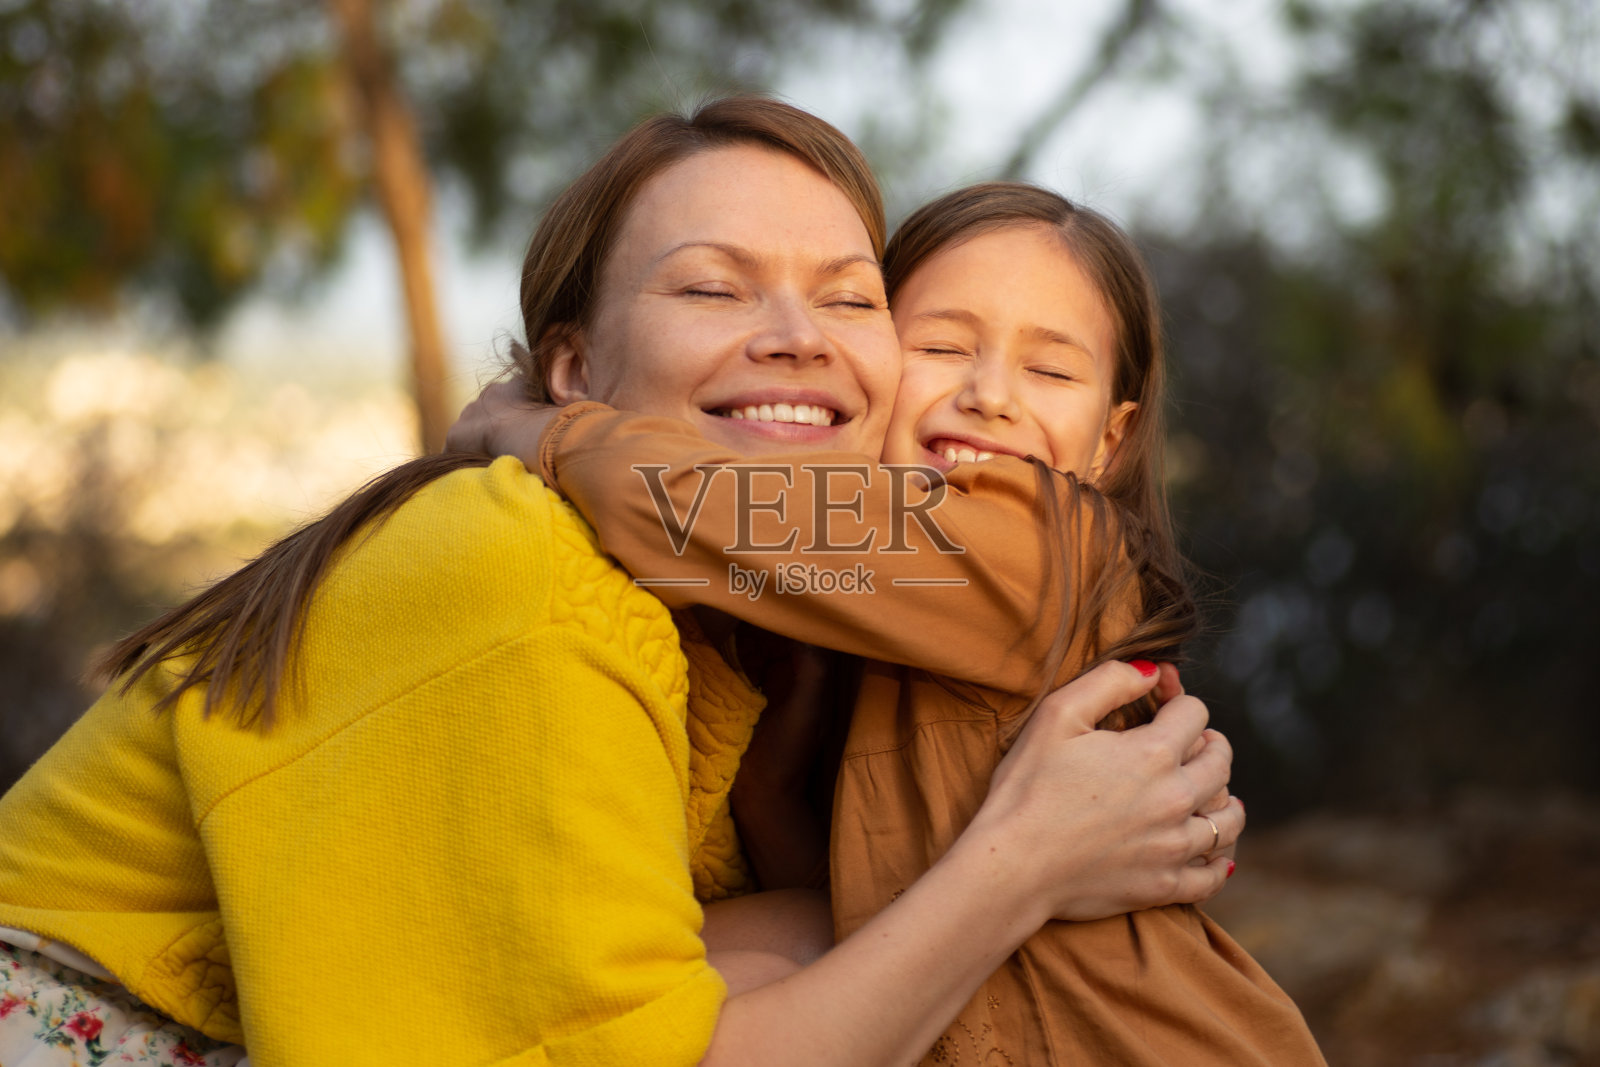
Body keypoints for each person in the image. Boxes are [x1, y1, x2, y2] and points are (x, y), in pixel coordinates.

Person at [0, 98, 1240, 1067]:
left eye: (847, 298)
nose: (800, 335)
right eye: (710, 284)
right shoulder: (521, 569)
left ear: (1116, 436)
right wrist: (1030, 853)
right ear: (574, 363)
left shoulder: (990, 552)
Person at [451, 181, 1326, 1064]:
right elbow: (867, 902)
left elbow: (693, 512)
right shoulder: (863, 610)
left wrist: (533, 428)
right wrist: (772, 788)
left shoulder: (1043, 542)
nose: (991, 395)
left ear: (1111, 438)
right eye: (941, 346)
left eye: (1051, 370)